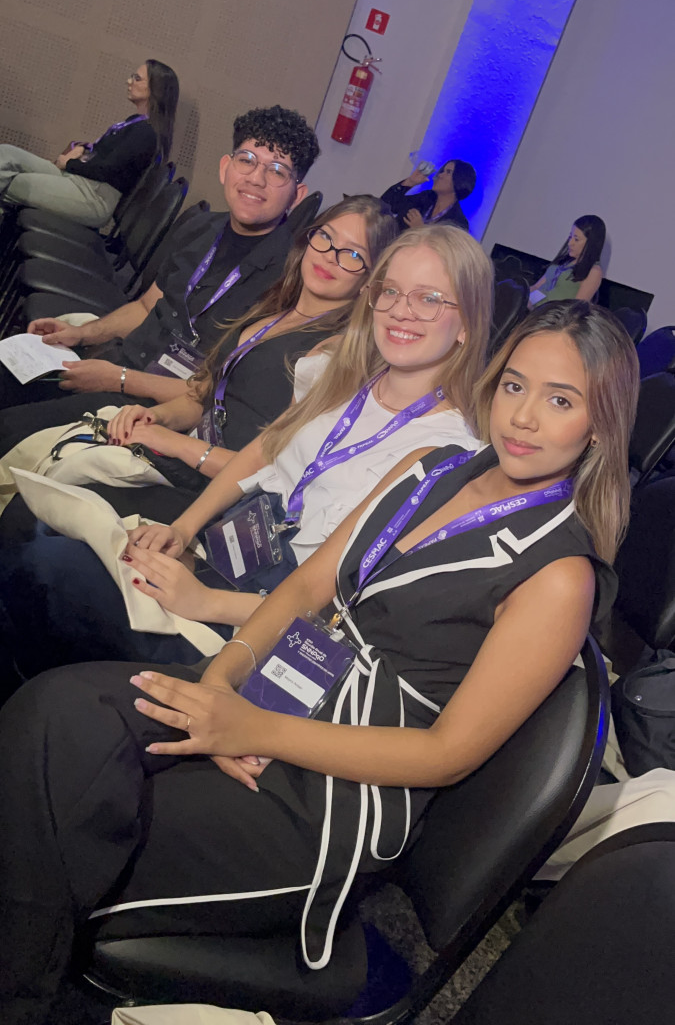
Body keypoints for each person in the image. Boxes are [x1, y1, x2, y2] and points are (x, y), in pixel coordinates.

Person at [0, 300, 640, 1024]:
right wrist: (221, 681)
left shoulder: (559, 577)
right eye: (515, 385)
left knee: (61, 818)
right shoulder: (429, 465)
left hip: (334, 795)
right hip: (278, 692)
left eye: (560, 401)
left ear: (598, 425)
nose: (523, 416)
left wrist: (251, 730)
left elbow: (446, 753)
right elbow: (309, 586)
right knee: (55, 714)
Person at [0, 225, 490, 671]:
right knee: (36, 530)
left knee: (43, 569)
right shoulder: (340, 376)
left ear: (467, 323)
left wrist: (205, 601)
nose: (402, 310)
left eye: (429, 298)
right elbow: (262, 452)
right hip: (223, 552)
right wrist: (182, 529)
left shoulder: (448, 456)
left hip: (261, 626)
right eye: (391, 291)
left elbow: (345, 607)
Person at [0, 195, 398, 541]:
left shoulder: (332, 355)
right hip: (179, 452)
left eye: (352, 255)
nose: (329, 256)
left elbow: (268, 467)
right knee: (28, 460)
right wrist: (155, 417)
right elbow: (202, 397)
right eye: (325, 237)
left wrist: (170, 440)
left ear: (370, 281)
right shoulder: (274, 310)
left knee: (30, 511)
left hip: (214, 493)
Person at [0, 105, 320, 437]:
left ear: (296, 195)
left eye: (277, 171)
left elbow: (221, 393)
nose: (256, 178)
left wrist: (117, 379)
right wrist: (82, 334)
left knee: (9, 430)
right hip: (120, 364)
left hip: (155, 414)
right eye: (247, 160)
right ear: (226, 167)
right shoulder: (201, 227)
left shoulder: (290, 281)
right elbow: (145, 307)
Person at [0, 59, 179, 229]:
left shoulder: (146, 133)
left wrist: (69, 163)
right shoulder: (136, 122)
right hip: (83, 182)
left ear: (155, 89)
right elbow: (106, 154)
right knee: (6, 152)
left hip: (94, 198)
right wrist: (83, 150)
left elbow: (107, 169)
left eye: (137, 78)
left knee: (13, 183)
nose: (129, 81)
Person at [529, 215, 606, 307]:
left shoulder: (594, 271)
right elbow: (536, 287)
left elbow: (576, 308)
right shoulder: (565, 260)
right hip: (532, 306)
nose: (570, 243)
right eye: (570, 237)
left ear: (591, 243)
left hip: (550, 313)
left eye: (576, 239)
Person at [382, 157, 477, 231]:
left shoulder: (458, 223)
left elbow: (444, 249)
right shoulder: (426, 197)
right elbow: (385, 205)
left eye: (448, 172)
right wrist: (410, 182)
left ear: (460, 180)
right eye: (442, 171)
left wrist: (420, 229)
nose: (440, 175)